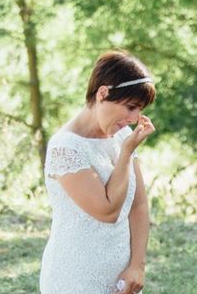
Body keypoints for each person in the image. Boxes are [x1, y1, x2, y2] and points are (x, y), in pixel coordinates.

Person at [39, 50, 156, 294]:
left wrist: (137, 266)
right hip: (74, 279)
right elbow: (108, 211)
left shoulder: (122, 136)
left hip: (122, 281)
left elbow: (138, 205)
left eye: (140, 109)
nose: (135, 119)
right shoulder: (65, 147)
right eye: (131, 107)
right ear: (103, 93)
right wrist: (125, 154)